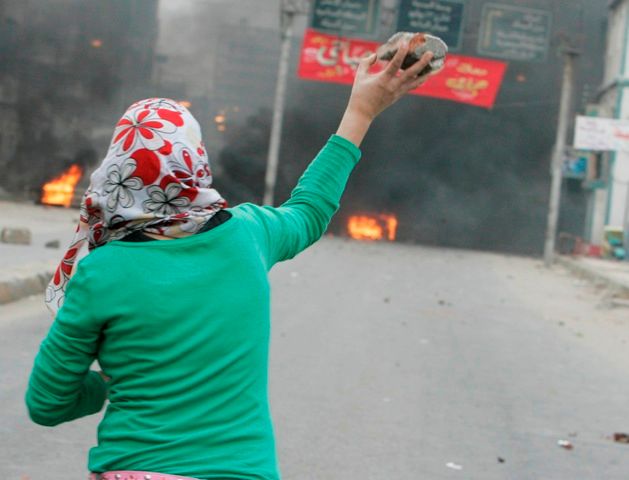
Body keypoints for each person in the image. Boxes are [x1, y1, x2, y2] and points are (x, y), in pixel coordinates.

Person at [26, 44, 438, 480]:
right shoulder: (248, 235)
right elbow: (311, 209)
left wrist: (108, 385)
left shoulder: (100, 272)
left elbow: (46, 403)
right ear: (194, 161)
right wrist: (361, 110)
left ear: (115, 172)